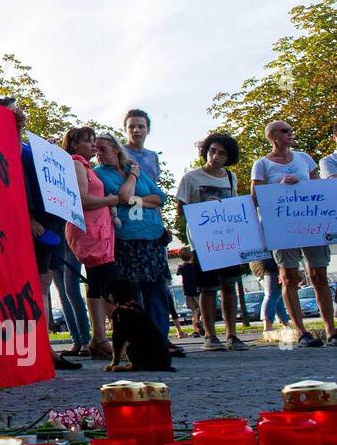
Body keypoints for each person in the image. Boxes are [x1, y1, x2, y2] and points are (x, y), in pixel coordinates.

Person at [94, 134, 184, 358]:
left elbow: (159, 198)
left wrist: (137, 199)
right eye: (96, 150)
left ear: (115, 149)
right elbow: (123, 196)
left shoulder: (134, 170)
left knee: (157, 290)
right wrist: (133, 177)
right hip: (127, 240)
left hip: (151, 238)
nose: (99, 154)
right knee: (133, 294)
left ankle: (160, 340)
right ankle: (139, 343)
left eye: (103, 149)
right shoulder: (101, 174)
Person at [250, 120, 337, 347]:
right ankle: (301, 331)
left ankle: (331, 330)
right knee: (288, 277)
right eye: (285, 131)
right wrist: (279, 185)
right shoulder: (261, 164)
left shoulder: (304, 158)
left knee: (319, 275)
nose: (290, 133)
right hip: (283, 228)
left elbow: (320, 188)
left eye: (290, 130)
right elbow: (255, 198)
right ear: (271, 136)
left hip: (310, 224)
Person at [11, 105, 80, 370]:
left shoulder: (29, 145)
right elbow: (12, 177)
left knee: (44, 285)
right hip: (34, 224)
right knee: (36, 288)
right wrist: (27, 217)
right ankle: (40, 350)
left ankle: (43, 347)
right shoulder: (11, 144)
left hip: (52, 223)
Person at [175, 132, 250, 351]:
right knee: (207, 288)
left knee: (229, 285)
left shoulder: (230, 177)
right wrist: (205, 205)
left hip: (227, 238)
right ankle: (209, 335)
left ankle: (232, 334)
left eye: (222, 153)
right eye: (212, 151)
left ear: (229, 157)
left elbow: (235, 204)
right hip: (203, 241)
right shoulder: (192, 178)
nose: (215, 156)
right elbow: (181, 210)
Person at [62, 126, 121, 359]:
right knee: (110, 281)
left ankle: (99, 339)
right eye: (87, 141)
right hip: (88, 232)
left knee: (97, 283)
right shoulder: (76, 163)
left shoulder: (87, 167)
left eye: (94, 140)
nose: (93, 144)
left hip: (98, 230)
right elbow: (83, 199)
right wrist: (110, 199)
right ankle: (109, 338)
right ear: (74, 144)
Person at [249, 257, 290, 342]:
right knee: (272, 294)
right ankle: (267, 328)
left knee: (276, 296)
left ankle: (285, 325)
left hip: (257, 264)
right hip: (269, 265)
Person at [122, 109, 161, 185]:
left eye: (141, 126)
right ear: (125, 130)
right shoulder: (117, 153)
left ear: (148, 130)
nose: (136, 130)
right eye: (131, 127)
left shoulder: (153, 156)